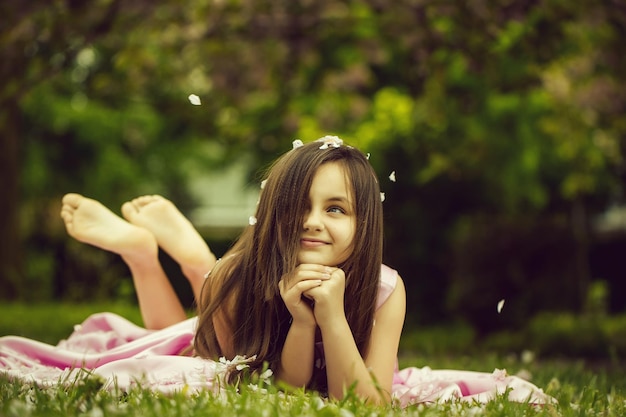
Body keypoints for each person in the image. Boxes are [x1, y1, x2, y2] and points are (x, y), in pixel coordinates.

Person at [0, 136, 552, 406]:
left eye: (335, 209)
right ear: (273, 214)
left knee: (209, 290)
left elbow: (366, 405)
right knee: (175, 348)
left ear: (364, 224)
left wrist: (328, 319)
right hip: (231, 328)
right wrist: (298, 322)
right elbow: (276, 386)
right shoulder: (239, 279)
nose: (313, 223)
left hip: (254, 298)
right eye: (299, 207)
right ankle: (149, 256)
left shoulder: (386, 289)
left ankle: (187, 257)